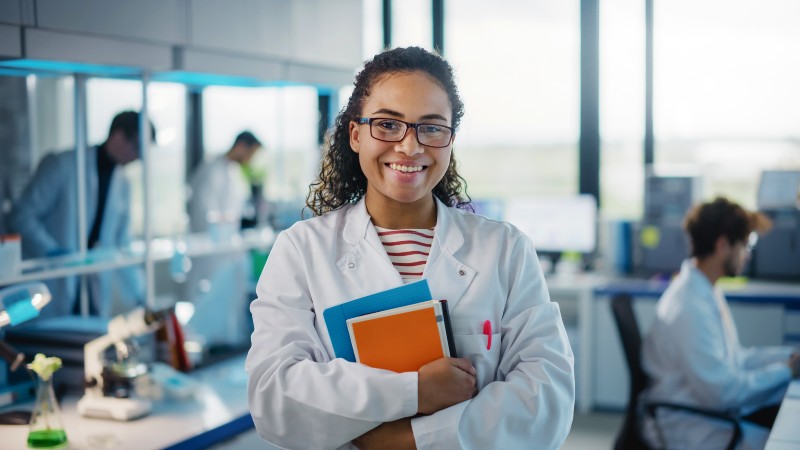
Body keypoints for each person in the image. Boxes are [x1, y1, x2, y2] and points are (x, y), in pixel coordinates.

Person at [245, 46, 575, 450]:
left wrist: (409, 440)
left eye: (431, 128)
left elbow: (547, 400)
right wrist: (415, 391)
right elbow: (273, 398)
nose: (409, 147)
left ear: (450, 140)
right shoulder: (301, 250)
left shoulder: (505, 249)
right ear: (355, 134)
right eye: (387, 124)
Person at [641, 197, 800, 449]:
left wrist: (787, 358)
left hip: (709, 413)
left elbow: (735, 360)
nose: (748, 255)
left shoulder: (704, 289)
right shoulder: (688, 307)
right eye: (746, 245)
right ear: (723, 245)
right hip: (694, 429)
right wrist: (786, 371)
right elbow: (725, 392)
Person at [8, 110, 152, 318]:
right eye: (137, 147)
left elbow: (122, 243)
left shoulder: (123, 183)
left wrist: (142, 296)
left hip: (91, 286)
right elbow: (21, 215)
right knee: (45, 344)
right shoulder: (62, 164)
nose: (138, 157)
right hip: (52, 280)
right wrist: (50, 250)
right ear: (118, 136)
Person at [187, 130, 263, 234]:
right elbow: (204, 209)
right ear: (241, 146)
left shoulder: (233, 170)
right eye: (251, 154)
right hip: (212, 239)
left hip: (226, 237)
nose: (250, 160)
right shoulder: (213, 170)